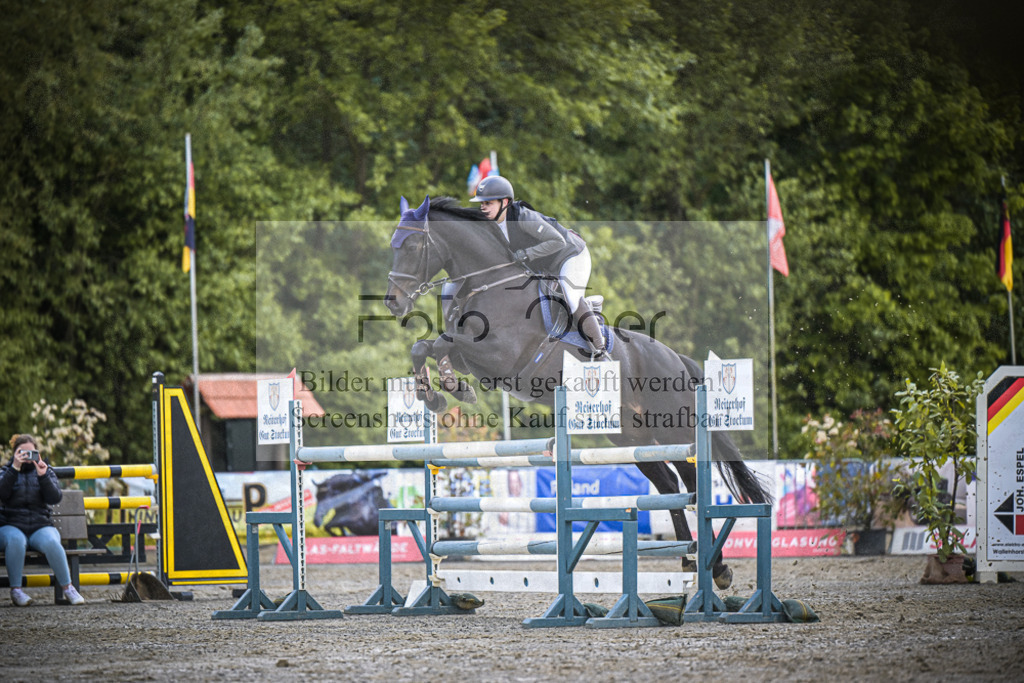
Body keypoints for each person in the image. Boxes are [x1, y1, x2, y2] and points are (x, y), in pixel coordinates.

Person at [470, 175, 607, 357]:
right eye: (481, 204)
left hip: (571, 255)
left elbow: (557, 241)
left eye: (488, 203)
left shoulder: (523, 217)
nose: (483, 207)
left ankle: (600, 348)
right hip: (546, 264)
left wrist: (527, 254)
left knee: (571, 298)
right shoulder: (492, 227)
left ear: (504, 202)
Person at [0, 434, 85, 606]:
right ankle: (16, 591)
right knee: (16, 541)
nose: (26, 457)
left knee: (52, 542)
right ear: (14, 453)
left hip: (40, 526)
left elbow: (55, 498)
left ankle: (68, 588)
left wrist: (43, 476)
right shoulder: (5, 471)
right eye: (21, 452)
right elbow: (2, 494)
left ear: (37, 453)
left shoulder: (46, 470)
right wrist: (14, 469)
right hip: (11, 525)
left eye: (30, 452)